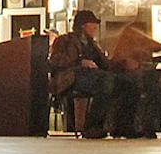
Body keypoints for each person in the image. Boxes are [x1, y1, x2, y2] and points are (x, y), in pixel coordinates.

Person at [50, 9, 133, 137]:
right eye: (92, 24)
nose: (95, 27)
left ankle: (122, 126)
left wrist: (123, 64)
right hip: (71, 77)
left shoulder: (92, 44)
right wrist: (80, 62)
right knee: (106, 81)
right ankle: (92, 126)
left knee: (125, 83)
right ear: (83, 25)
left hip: (93, 77)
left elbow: (106, 65)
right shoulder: (64, 40)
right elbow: (55, 61)